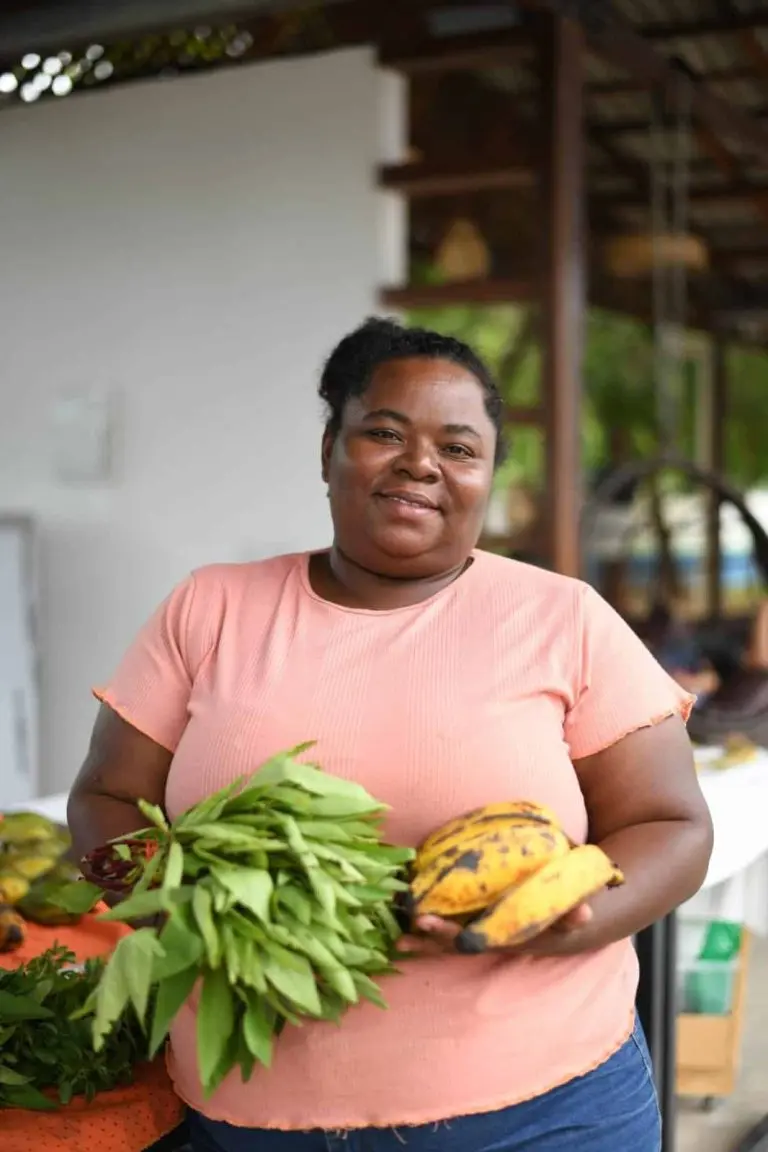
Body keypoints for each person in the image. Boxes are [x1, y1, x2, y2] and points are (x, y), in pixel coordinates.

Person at [68, 318, 713, 1152]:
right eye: (384, 433)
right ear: (329, 446)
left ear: (487, 478)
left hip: (547, 1112)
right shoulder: (211, 608)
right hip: (255, 1117)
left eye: (459, 448)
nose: (421, 465)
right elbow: (107, 794)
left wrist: (582, 920)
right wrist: (189, 918)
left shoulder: (564, 619)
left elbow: (674, 825)